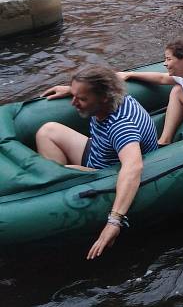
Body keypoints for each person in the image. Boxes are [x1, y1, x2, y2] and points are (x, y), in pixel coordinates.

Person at [39, 65, 159, 259]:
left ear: (103, 97)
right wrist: (72, 91)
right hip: (99, 150)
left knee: (60, 174)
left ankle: (56, 203)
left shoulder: (121, 126)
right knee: (48, 131)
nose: (73, 103)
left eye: (82, 99)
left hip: (105, 171)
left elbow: (133, 166)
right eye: (75, 96)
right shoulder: (113, 98)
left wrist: (114, 221)